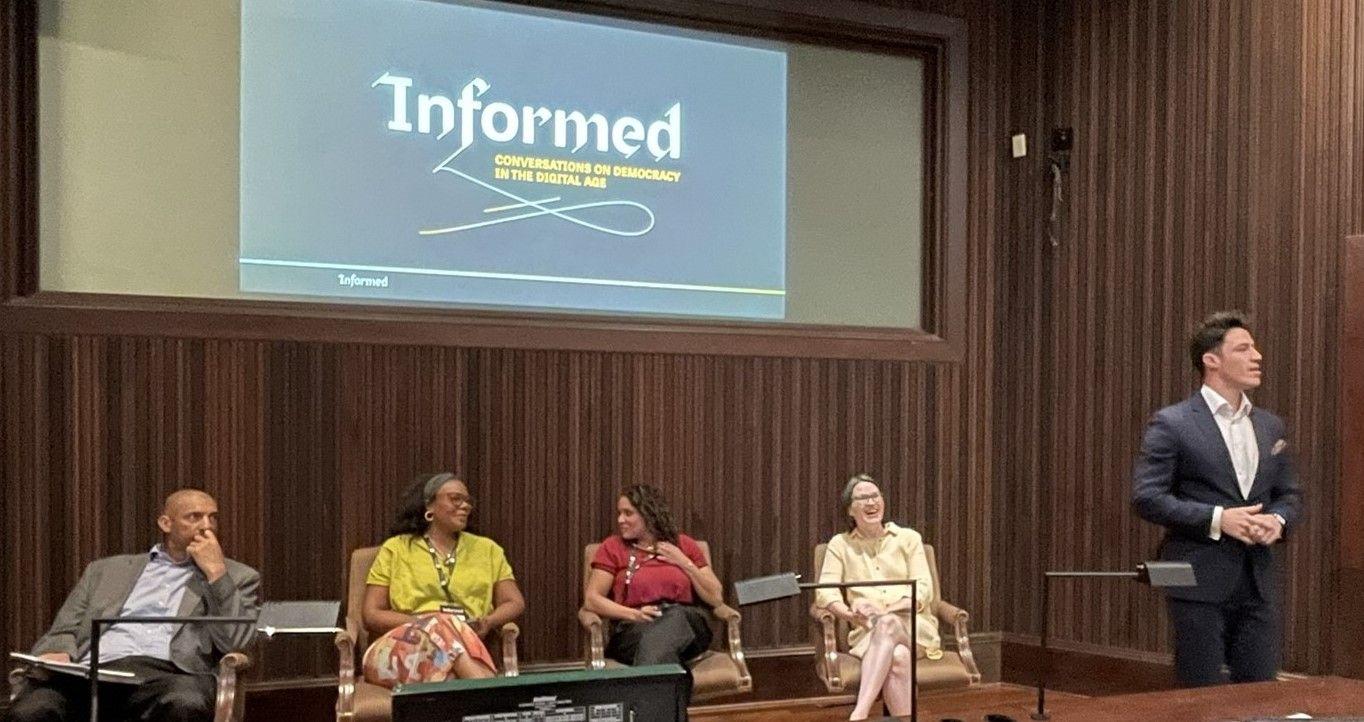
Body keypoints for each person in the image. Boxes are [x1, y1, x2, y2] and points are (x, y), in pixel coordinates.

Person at [1133, 311, 1303, 686]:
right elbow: (1146, 497)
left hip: (1257, 579)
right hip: (1197, 577)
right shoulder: (1173, 423)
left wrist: (1277, 521)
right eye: (1243, 348)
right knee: (1201, 693)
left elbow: (1289, 494)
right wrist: (1217, 518)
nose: (1257, 356)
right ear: (1211, 360)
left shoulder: (1270, 425)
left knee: (1260, 691)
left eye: (1255, 348)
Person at [8, 489, 260, 722]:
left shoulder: (238, 577)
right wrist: (58, 651)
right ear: (165, 523)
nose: (207, 527)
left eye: (212, 518)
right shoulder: (104, 570)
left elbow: (236, 641)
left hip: (170, 675)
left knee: (184, 702)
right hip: (93, 670)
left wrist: (216, 573)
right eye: (194, 517)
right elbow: (63, 630)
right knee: (32, 709)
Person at [361, 472, 525, 687]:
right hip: (397, 651)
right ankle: (487, 691)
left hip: (460, 649)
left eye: (468, 501)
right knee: (440, 623)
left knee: (449, 674)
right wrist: (427, 623)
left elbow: (515, 602)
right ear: (429, 506)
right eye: (456, 499)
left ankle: (478, 692)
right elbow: (371, 614)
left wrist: (488, 621)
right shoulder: (397, 548)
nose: (465, 506)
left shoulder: (487, 549)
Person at [815, 473, 942, 721]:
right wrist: (850, 614)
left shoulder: (909, 538)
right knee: (898, 657)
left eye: (875, 496)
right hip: (869, 633)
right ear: (850, 510)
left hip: (915, 629)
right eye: (863, 498)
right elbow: (825, 592)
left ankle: (859, 713)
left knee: (889, 622)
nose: (871, 503)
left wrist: (886, 611)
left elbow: (924, 588)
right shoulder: (839, 545)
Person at [583, 484, 723, 696]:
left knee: (673, 617)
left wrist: (684, 562)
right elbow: (592, 600)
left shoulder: (684, 545)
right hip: (634, 628)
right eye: (619, 513)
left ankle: (644, 702)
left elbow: (715, 597)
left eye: (628, 513)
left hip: (687, 623)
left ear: (649, 514)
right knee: (665, 658)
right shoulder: (612, 547)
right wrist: (634, 614)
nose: (620, 520)